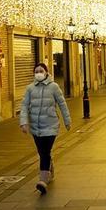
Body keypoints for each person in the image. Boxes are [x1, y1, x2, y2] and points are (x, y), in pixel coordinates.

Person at [20, 63, 72, 194]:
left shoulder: (54, 87)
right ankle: (50, 168)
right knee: (42, 152)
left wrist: (67, 121)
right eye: (36, 71)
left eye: (41, 71)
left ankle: (43, 180)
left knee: (44, 152)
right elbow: (24, 106)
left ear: (46, 72)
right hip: (36, 127)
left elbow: (62, 104)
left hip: (50, 126)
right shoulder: (30, 89)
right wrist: (24, 123)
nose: (38, 73)